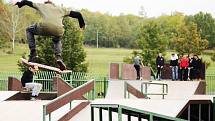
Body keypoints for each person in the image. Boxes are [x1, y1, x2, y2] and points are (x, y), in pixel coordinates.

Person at [15, 0, 85, 70]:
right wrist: (82, 25)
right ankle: (58, 58)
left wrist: (20, 4)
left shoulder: (42, 5)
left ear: (46, 3)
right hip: (58, 30)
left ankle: (33, 52)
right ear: (53, 4)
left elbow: (27, 2)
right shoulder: (60, 9)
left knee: (29, 30)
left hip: (44, 27)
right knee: (57, 40)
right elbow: (78, 14)